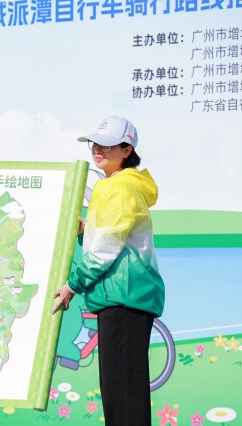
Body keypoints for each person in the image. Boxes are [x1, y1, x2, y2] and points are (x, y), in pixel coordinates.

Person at [52, 116, 165, 426]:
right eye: (95, 143)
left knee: (124, 393)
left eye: (107, 144)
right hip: (119, 296)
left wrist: (72, 286)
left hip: (124, 297)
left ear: (127, 150)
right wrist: (84, 233)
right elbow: (107, 240)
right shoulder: (113, 186)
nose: (97, 149)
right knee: (119, 391)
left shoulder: (121, 187)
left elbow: (106, 248)